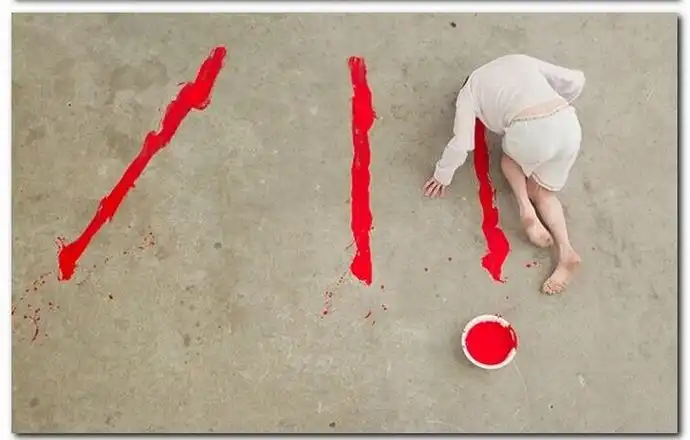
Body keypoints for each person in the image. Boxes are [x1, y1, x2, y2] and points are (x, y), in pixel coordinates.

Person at [423, 54, 585, 294]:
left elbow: (462, 142)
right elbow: (574, 79)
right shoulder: (518, 59)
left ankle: (526, 209)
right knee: (543, 192)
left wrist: (442, 174)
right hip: (568, 123)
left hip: (531, 129)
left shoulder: (469, 92)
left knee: (509, 160)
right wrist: (562, 102)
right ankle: (566, 252)